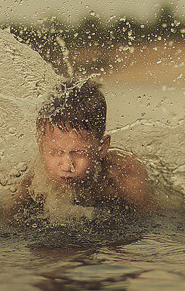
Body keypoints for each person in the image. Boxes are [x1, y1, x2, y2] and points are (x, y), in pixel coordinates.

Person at [8, 79, 154, 217]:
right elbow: (7, 220)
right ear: (41, 147)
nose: (67, 166)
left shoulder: (124, 176)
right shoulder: (34, 183)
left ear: (102, 148)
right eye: (56, 152)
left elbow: (151, 219)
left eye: (79, 153)